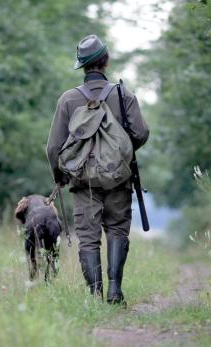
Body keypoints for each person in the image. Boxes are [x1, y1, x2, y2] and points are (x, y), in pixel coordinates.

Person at [46, 34, 149, 305]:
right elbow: (141, 133)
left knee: (88, 239)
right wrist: (121, 155)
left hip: (82, 183)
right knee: (117, 230)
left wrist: (61, 176)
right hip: (118, 179)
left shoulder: (68, 100)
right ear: (106, 61)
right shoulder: (123, 93)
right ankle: (115, 291)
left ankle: (94, 296)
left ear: (82, 66)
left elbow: (53, 148)